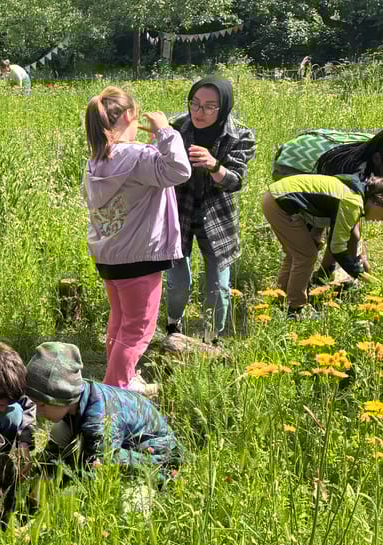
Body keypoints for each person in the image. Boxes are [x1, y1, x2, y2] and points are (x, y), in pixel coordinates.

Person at [82, 86, 191, 392]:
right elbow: (179, 171)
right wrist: (166, 132)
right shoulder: (138, 156)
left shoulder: (98, 159)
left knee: (120, 321)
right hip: (139, 257)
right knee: (138, 328)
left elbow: (142, 173)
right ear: (130, 115)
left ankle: (124, 378)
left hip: (110, 257)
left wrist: (156, 144)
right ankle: (116, 390)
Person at [165, 77, 256, 344]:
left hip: (216, 217)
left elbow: (235, 181)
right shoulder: (176, 127)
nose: (199, 112)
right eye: (194, 103)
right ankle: (172, 327)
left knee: (219, 287)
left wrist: (214, 165)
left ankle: (211, 339)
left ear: (223, 107)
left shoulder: (240, 135)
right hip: (179, 213)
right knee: (178, 284)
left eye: (209, 107)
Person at [23, 342, 182, 483]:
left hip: (157, 454)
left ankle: (161, 479)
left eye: (41, 405)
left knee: (101, 463)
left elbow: (94, 470)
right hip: (127, 440)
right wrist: (39, 469)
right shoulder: (79, 397)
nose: (38, 412)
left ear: (63, 399)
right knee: (60, 432)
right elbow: (53, 450)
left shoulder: (98, 421)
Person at [272, 128, 383, 284]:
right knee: (305, 245)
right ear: (377, 159)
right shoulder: (359, 168)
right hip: (294, 163)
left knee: (334, 226)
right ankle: (307, 283)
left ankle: (312, 279)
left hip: (323, 173)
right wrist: (361, 269)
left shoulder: (374, 154)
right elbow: (345, 230)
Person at [262, 174, 383, 316]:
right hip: (279, 202)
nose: (380, 220)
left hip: (274, 197)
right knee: (306, 255)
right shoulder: (353, 202)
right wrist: (360, 273)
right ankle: (295, 309)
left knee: (295, 254)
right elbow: (337, 248)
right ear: (378, 201)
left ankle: (279, 299)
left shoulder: (355, 192)